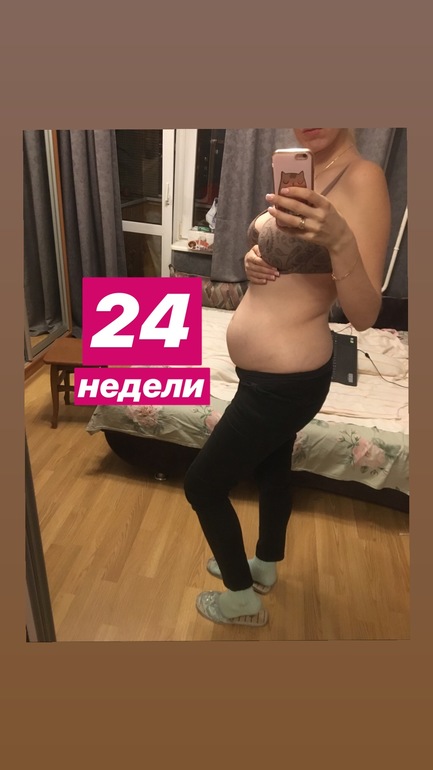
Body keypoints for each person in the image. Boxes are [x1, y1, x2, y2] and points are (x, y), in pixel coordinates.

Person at [184, 128, 391, 627]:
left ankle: (241, 601)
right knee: (272, 468)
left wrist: (340, 239)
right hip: (265, 374)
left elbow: (364, 314)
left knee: (203, 486)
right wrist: (254, 258)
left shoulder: (363, 179)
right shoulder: (303, 168)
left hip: (287, 380)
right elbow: (291, 265)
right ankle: (264, 566)